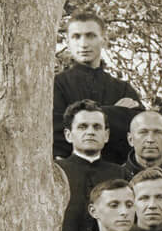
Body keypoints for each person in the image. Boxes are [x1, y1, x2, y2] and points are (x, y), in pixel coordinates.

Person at [52, 12, 142, 162]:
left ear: (104, 40)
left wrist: (78, 121)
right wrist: (115, 112)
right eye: (76, 36)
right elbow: (56, 135)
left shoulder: (123, 89)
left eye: (91, 36)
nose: (83, 44)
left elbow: (139, 131)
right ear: (68, 42)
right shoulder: (56, 85)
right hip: (70, 170)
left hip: (116, 170)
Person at [57, 101, 130, 231]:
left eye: (97, 127)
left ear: (106, 135)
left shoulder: (120, 174)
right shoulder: (55, 172)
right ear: (68, 135)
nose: (90, 132)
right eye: (82, 127)